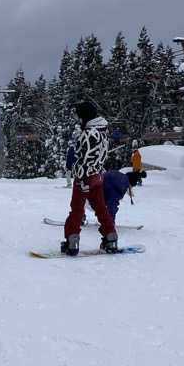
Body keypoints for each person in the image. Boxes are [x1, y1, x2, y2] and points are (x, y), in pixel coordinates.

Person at [62, 99, 118, 255]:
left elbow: (84, 157)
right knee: (101, 208)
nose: (78, 120)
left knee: (77, 209)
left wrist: (82, 177)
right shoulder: (102, 132)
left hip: (84, 177)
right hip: (98, 176)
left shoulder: (88, 134)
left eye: (79, 117)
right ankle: (110, 236)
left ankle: (72, 241)